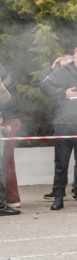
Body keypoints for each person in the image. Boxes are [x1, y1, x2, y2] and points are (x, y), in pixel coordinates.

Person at [39, 45, 77, 210]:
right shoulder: (61, 72)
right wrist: (63, 93)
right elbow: (44, 86)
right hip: (64, 123)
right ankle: (58, 197)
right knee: (61, 164)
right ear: (74, 58)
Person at [41, 55, 76, 200]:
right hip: (61, 121)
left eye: (69, 65)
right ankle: (58, 191)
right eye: (63, 66)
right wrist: (52, 69)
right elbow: (44, 85)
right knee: (60, 160)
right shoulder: (57, 76)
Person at [0, 63, 22, 207]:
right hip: (7, 120)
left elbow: (7, 101)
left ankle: (11, 199)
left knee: (6, 160)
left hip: (8, 121)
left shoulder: (5, 79)